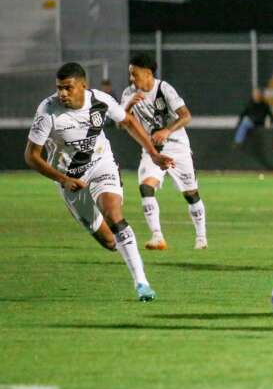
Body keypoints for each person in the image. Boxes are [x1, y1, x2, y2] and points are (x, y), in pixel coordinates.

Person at [24, 62, 174, 301]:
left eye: (68, 88)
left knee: (115, 215)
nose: (62, 93)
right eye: (59, 88)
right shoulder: (48, 110)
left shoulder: (101, 100)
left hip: (101, 166)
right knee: (108, 240)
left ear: (83, 86)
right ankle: (124, 250)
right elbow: (31, 156)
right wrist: (63, 179)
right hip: (70, 179)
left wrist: (154, 154)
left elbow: (127, 121)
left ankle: (142, 283)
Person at [121, 53, 208, 251]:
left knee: (190, 193)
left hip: (177, 145)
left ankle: (201, 238)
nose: (131, 79)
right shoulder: (129, 94)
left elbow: (186, 116)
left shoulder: (164, 88)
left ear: (148, 73)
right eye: (130, 75)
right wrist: (128, 106)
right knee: (146, 187)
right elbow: (122, 123)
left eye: (134, 74)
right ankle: (157, 236)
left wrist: (167, 130)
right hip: (152, 149)